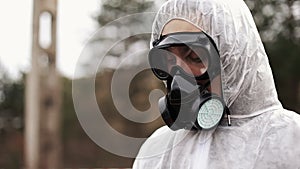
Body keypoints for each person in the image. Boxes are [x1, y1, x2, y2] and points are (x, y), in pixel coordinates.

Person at [132, 0, 300, 168]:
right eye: (168, 59)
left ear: (233, 57)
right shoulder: (155, 151)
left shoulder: (290, 139)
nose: (180, 75)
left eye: (195, 56)